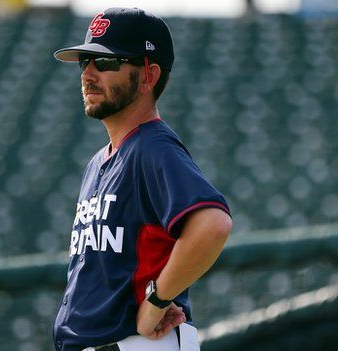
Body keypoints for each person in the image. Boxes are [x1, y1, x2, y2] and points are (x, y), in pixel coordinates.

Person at [51, 7, 233, 351]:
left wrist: (156, 300)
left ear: (148, 76)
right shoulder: (98, 162)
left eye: (105, 63)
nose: (88, 74)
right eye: (84, 62)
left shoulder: (152, 147)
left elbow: (213, 225)